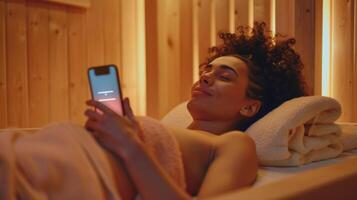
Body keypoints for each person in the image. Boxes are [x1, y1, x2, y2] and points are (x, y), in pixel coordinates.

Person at [84, 22, 308, 199]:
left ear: (249, 106)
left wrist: (130, 145)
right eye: (207, 71)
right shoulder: (173, 131)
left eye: (225, 76)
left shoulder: (236, 144)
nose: (205, 77)